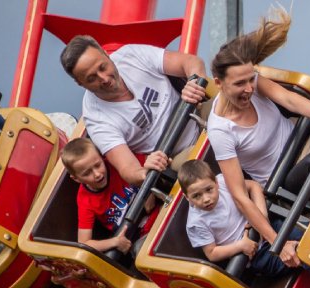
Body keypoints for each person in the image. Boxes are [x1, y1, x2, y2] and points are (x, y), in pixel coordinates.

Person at [208, 7, 310, 271]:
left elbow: (288, 99)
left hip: (300, 141)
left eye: (251, 80)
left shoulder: (253, 84)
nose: (249, 89)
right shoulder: (221, 131)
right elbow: (240, 195)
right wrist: (276, 242)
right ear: (219, 83)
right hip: (284, 180)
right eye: (240, 84)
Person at [60, 35, 208, 187]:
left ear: (106, 55)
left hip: (199, 112)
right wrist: (145, 171)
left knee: (227, 104)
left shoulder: (130, 56)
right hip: (178, 155)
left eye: (103, 67)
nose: (104, 78)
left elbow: (191, 62)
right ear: (80, 83)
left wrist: (194, 83)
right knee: (199, 163)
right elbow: (128, 169)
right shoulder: (95, 118)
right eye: (92, 78)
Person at [178, 159, 297, 277]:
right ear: (187, 197)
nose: (206, 199)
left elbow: (253, 186)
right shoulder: (196, 223)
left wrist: (262, 217)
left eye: (209, 190)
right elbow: (211, 253)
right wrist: (240, 246)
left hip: (270, 227)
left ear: (216, 183)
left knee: (304, 234)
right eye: (196, 196)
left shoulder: (224, 181)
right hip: (255, 254)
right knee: (297, 255)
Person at [61, 137, 161, 255]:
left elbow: (148, 162)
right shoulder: (85, 199)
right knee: (142, 251)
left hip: (158, 212)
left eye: (98, 165)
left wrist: (147, 188)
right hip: (137, 235)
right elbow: (84, 243)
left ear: (102, 156)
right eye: (87, 173)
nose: (97, 174)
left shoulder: (116, 163)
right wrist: (115, 242)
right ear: (76, 178)